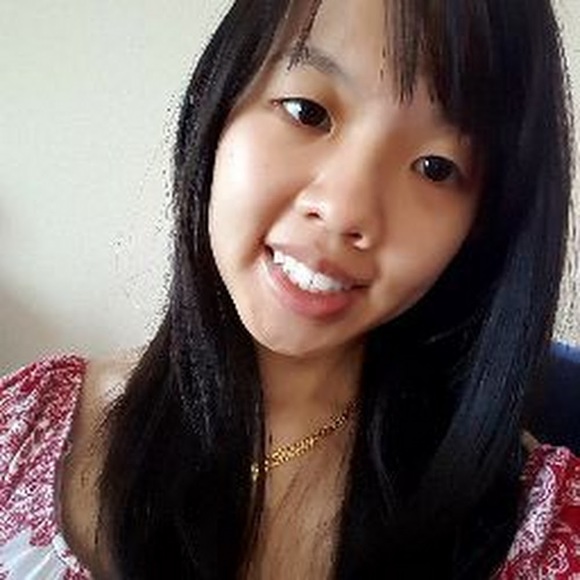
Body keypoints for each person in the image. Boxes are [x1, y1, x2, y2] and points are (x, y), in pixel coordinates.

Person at [0, 0, 578, 578]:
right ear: (221, 99)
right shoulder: (23, 430)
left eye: (435, 168)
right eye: (309, 112)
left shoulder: (547, 531)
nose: (345, 210)